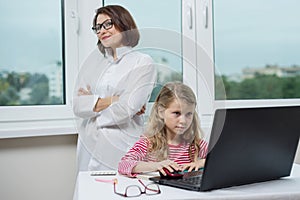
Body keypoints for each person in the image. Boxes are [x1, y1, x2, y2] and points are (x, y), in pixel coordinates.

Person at [72, 5, 157, 171]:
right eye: (97, 27)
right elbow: (77, 106)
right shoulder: (95, 64)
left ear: (123, 23)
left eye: (107, 24)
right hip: (88, 142)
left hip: (120, 143)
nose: (101, 31)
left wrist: (93, 103)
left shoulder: (142, 62)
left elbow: (127, 108)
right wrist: (116, 99)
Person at [118, 82, 208, 177]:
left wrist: (202, 163)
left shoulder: (196, 145)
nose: (183, 121)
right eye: (177, 113)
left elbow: (222, 158)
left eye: (189, 114)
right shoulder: (149, 143)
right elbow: (123, 165)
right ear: (161, 112)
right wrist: (156, 166)